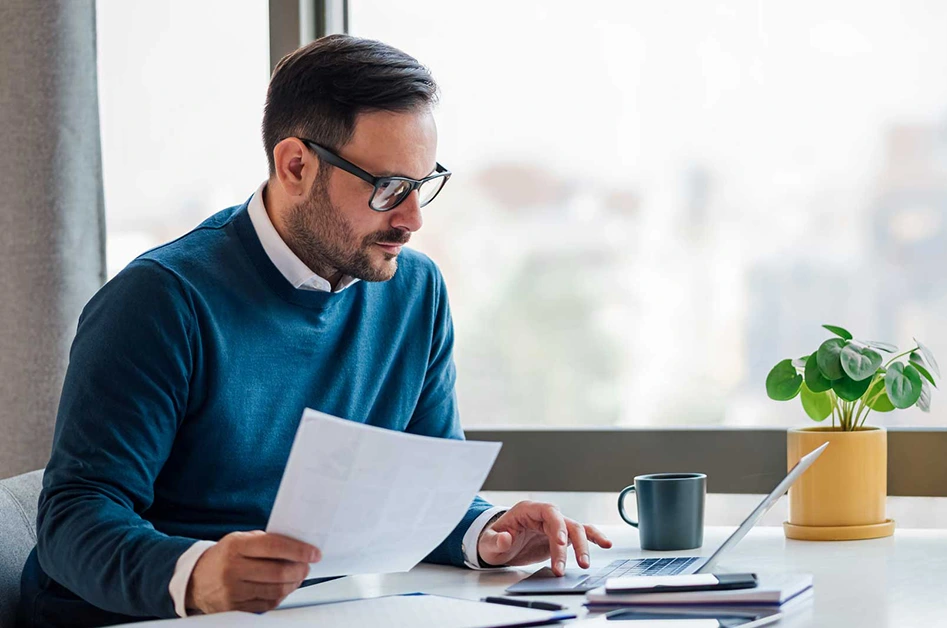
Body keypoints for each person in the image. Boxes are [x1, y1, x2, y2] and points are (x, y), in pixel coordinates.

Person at [17, 34, 611, 627]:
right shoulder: (160, 301)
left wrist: (487, 533)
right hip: (139, 619)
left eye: (422, 184)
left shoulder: (415, 292)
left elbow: (419, 493)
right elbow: (75, 519)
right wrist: (199, 574)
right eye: (389, 189)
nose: (413, 219)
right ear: (295, 166)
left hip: (312, 614)